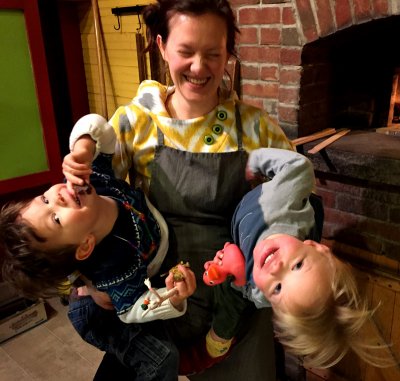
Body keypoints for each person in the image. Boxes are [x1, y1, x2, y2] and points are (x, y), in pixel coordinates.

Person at [73, 0, 294, 379]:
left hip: (233, 304)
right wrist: (93, 281)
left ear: (229, 55)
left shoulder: (255, 129)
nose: (198, 67)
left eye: (213, 54)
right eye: (186, 51)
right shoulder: (134, 122)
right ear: (161, 46)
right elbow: (83, 208)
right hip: (154, 298)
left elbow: (295, 199)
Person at [0, 114, 196, 381]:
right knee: (161, 358)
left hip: (98, 287)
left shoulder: (95, 180)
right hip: (95, 314)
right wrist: (170, 298)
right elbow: (131, 308)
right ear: (85, 246)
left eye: (44, 199)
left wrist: (81, 148)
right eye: (56, 218)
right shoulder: (116, 263)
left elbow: (101, 131)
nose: (56, 197)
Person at [203, 147, 389, 370]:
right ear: (314, 246)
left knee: (232, 299)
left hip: (238, 223)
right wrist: (255, 160)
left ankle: (220, 335)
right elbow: (301, 166)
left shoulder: (263, 294)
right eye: (297, 265)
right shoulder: (282, 200)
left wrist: (238, 276)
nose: (275, 269)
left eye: (278, 289)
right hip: (260, 200)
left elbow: (255, 296)